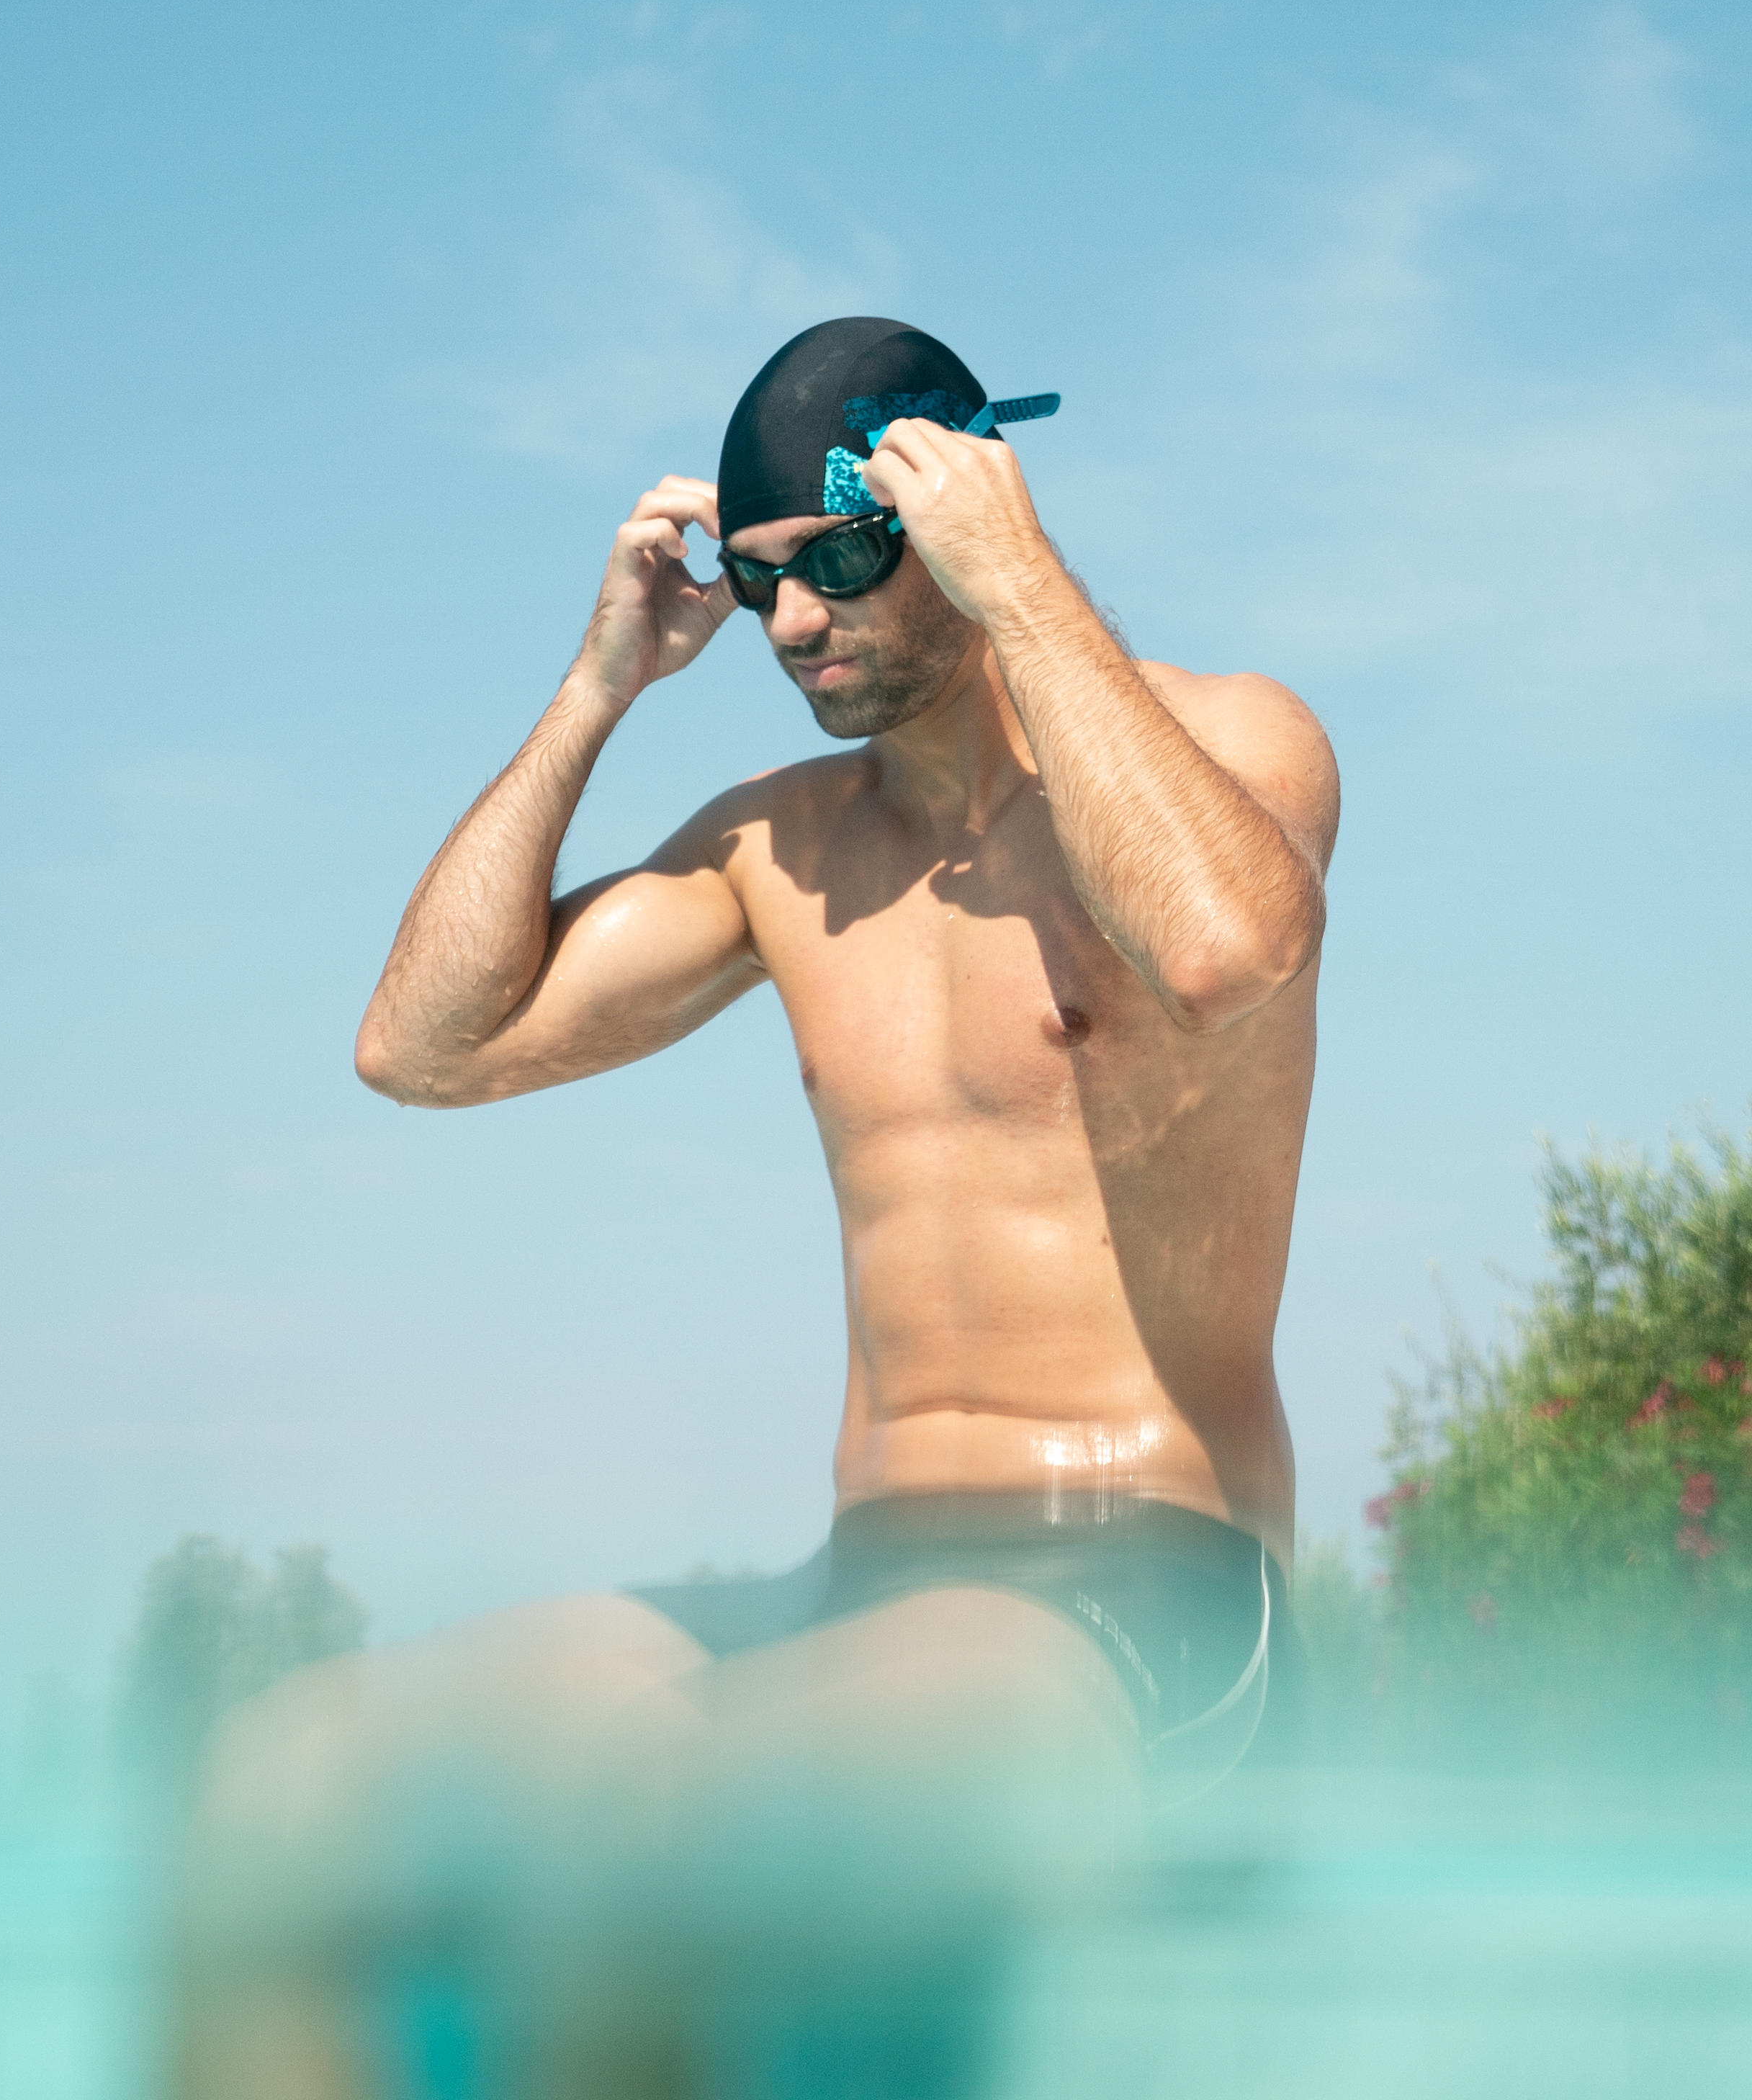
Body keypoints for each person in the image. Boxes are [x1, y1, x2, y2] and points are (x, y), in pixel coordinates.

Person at [176, 316, 1336, 2094]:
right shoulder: (778, 848)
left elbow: (1228, 944)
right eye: (761, 577)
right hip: (866, 1590)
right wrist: (598, 688)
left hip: (1145, 1595)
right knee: (278, 1785)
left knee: (656, 1843)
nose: (794, 625)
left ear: (956, 505)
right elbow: (421, 1046)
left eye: (843, 562)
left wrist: (1020, 581)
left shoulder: (1228, 736)